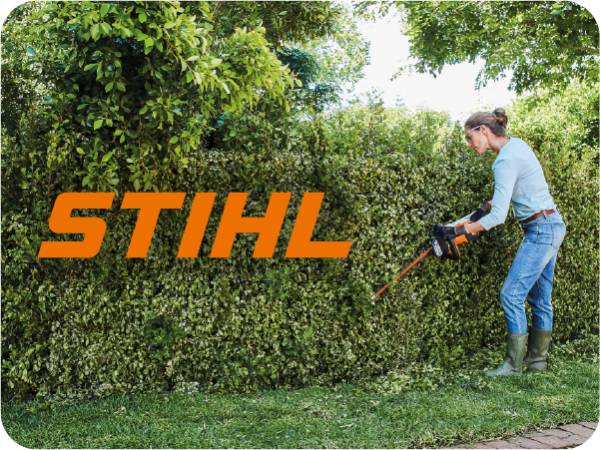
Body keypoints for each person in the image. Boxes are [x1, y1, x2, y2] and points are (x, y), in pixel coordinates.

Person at [433, 108, 567, 376]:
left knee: (511, 294)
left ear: (483, 130)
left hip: (541, 229)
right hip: (550, 225)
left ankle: (512, 366)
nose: (470, 145)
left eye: (470, 138)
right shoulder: (516, 147)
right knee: (540, 298)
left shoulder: (504, 160)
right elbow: (497, 204)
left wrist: (458, 234)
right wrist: (457, 226)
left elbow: (498, 216)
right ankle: (537, 363)